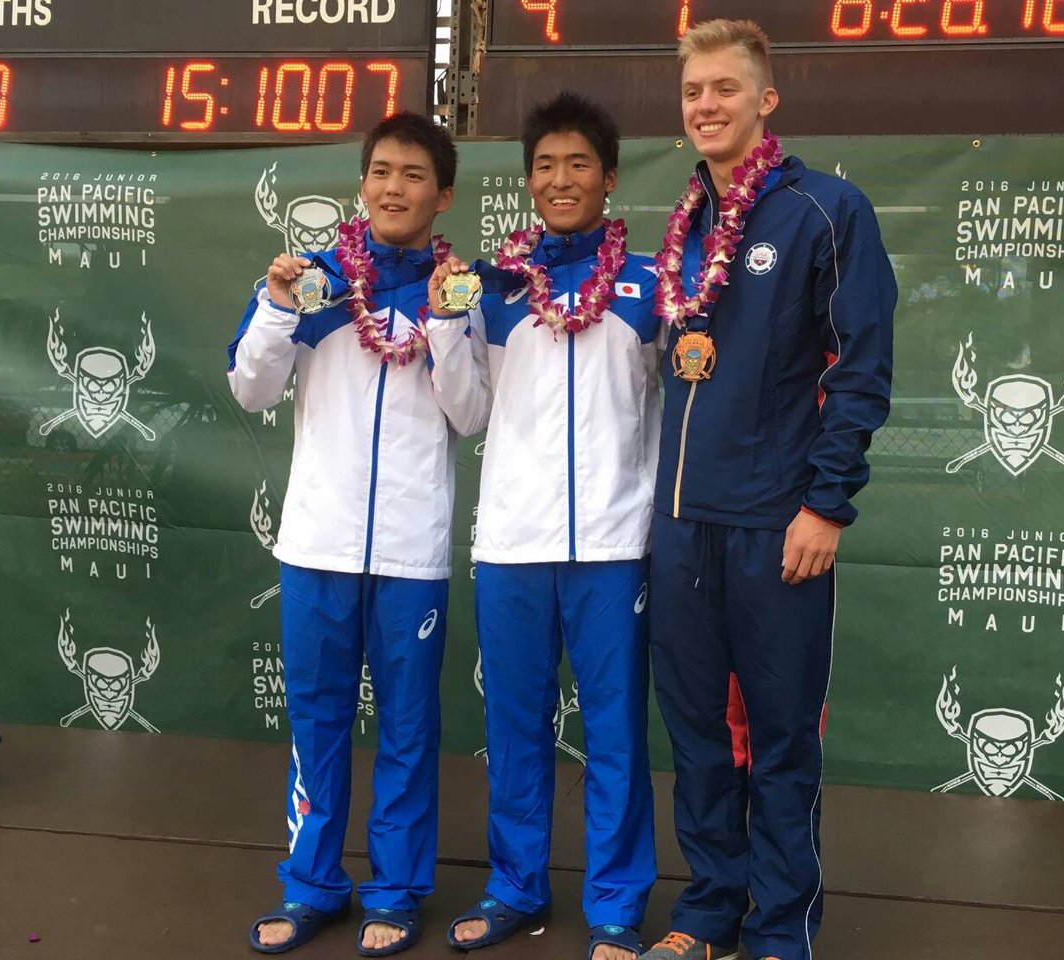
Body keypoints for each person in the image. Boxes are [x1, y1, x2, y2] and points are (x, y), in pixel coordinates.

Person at [639, 19, 896, 960]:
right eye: (693, 91)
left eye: (725, 88)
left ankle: (781, 929)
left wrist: (825, 505)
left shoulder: (825, 210)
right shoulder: (683, 229)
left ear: (765, 99)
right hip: (682, 527)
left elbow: (861, 370)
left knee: (783, 741)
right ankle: (710, 911)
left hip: (777, 524)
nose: (706, 105)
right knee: (699, 737)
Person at [228, 112, 488, 956]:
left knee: (409, 730)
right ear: (362, 183)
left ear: (443, 195)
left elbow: (471, 414)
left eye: (413, 175)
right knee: (317, 722)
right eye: (381, 171)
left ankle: (396, 891)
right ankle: (310, 886)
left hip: (412, 552)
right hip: (318, 546)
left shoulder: (459, 291)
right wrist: (275, 307)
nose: (393, 187)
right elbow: (250, 390)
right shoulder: (315, 281)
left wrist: (445, 324)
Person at [438, 92, 660, 960]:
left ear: (609, 177)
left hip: (614, 546)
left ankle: (616, 905)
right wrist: (446, 328)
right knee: (515, 729)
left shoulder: (651, 286)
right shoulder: (493, 289)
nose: (560, 179)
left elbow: (674, 408)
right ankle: (515, 887)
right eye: (544, 165)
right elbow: (466, 415)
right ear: (528, 181)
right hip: (513, 544)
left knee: (616, 734)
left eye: (578, 163)